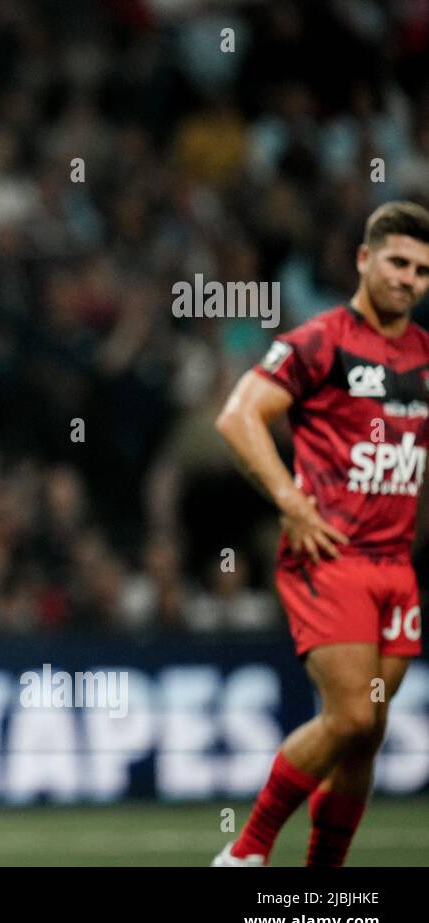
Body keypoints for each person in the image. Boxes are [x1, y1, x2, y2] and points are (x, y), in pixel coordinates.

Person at [213, 201, 429, 866]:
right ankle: (246, 852)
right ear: (366, 260)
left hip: (396, 567)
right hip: (330, 555)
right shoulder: (322, 340)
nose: (409, 279)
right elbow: (238, 415)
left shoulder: (424, 354)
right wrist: (289, 499)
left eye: (423, 271)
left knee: (365, 738)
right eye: (398, 262)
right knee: (352, 718)